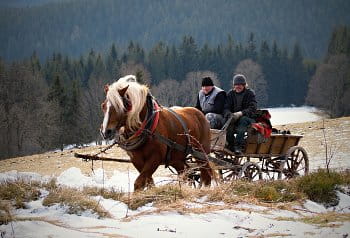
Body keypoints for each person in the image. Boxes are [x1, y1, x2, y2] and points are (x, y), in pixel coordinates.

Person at [224, 74, 257, 154]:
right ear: (233, 85)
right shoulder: (230, 94)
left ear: (244, 85)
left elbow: (252, 108)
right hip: (234, 117)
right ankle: (231, 146)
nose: (238, 87)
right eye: (236, 85)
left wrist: (241, 113)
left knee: (243, 120)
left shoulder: (250, 93)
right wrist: (229, 114)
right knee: (229, 123)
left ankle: (238, 146)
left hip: (249, 118)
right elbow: (225, 108)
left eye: (240, 85)